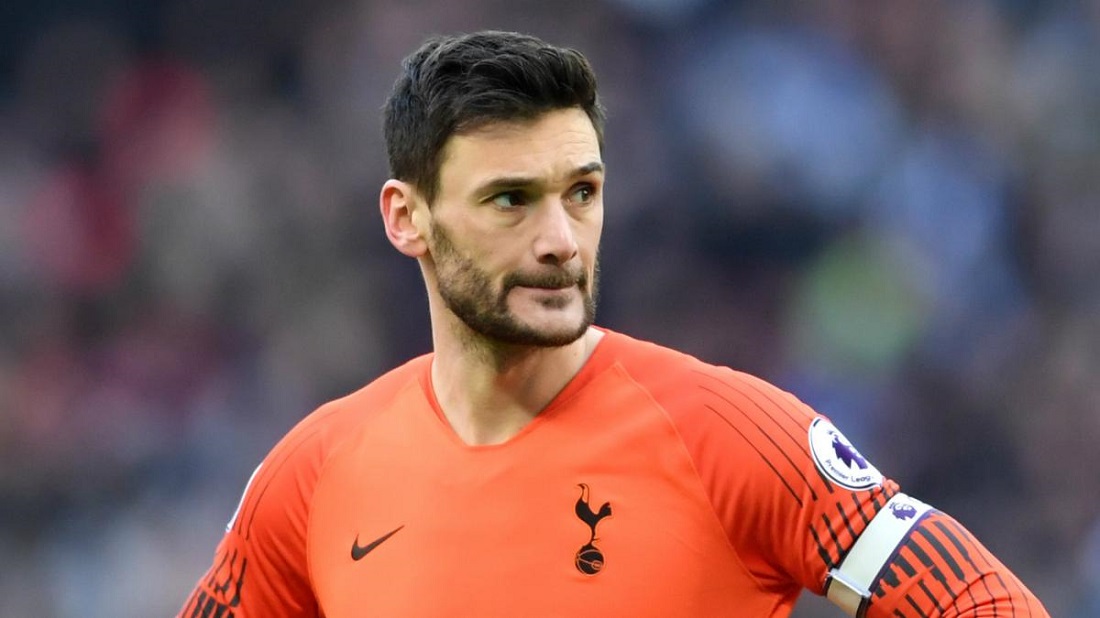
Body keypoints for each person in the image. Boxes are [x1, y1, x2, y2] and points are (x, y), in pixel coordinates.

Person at [179, 30, 1048, 617]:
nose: (561, 240)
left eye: (581, 193)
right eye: (510, 200)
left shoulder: (725, 436)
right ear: (408, 218)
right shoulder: (315, 474)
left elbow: (982, 605)